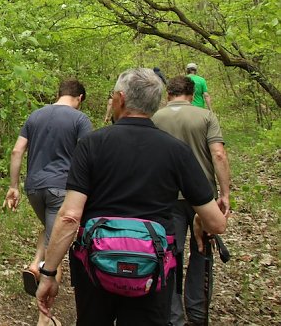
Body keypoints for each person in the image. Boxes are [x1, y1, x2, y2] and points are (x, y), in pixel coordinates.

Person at [36, 68, 227, 326]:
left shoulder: (92, 144)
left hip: (94, 267)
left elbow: (70, 216)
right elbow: (216, 223)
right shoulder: (176, 151)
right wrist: (200, 220)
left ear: (121, 99)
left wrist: (48, 273)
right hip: (152, 268)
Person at [4, 78, 93, 326]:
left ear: (59, 93)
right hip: (63, 189)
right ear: (80, 99)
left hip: (34, 188)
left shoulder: (35, 116)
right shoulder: (80, 120)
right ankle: (45, 318)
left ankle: (34, 265)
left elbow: (16, 151)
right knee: (57, 249)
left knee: (50, 230)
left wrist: (13, 186)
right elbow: (89, 156)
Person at [152, 76, 231, 326]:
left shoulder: (155, 118)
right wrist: (224, 193)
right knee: (201, 251)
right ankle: (197, 314)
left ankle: (173, 316)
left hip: (166, 196)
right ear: (192, 93)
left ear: (168, 94)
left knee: (169, 255)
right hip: (202, 197)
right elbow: (218, 154)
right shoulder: (205, 116)